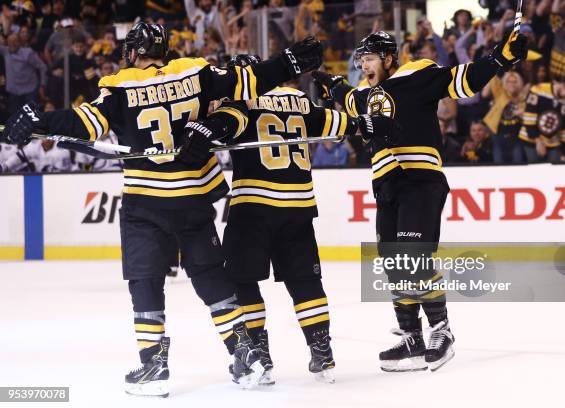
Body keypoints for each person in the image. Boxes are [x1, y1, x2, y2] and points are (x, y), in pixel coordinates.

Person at [1, 22, 323, 397]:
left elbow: (84, 125)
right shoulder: (194, 71)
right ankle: (247, 353)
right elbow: (249, 80)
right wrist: (287, 64)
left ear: (135, 52)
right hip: (193, 197)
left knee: (146, 280)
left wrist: (40, 121)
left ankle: (154, 364)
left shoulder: (121, 85)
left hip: (147, 203)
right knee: (210, 276)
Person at [312, 29, 527, 372]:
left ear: (388, 58)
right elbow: (349, 98)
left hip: (420, 180)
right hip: (385, 184)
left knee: (414, 256)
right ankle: (412, 336)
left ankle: (441, 330)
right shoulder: (365, 94)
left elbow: (464, 80)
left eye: (369, 59)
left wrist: (499, 58)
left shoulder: (418, 74)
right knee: (394, 264)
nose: (364, 65)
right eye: (360, 60)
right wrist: (332, 83)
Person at [194, 55, 374, 385]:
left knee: (241, 280)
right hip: (299, 207)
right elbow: (340, 124)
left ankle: (259, 356)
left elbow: (215, 130)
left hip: (254, 208)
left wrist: (192, 133)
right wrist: (363, 121)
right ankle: (323, 353)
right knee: (305, 281)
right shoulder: (299, 100)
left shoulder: (241, 102)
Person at [519, 73, 565, 163]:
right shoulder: (538, 90)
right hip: (530, 139)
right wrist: (538, 141)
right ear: (562, 85)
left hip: (552, 142)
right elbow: (529, 118)